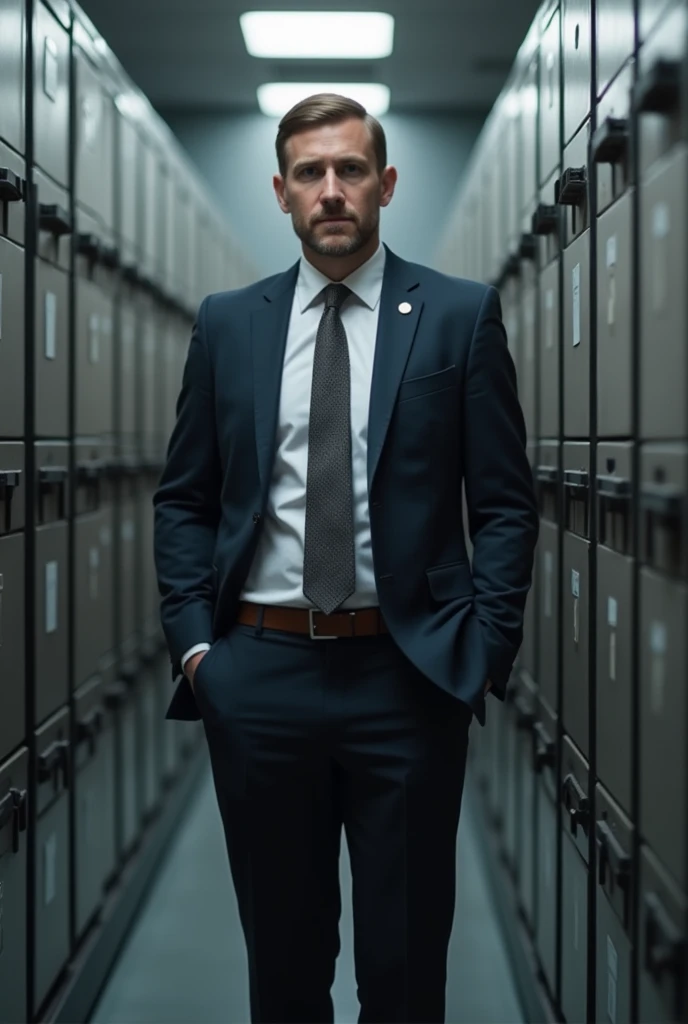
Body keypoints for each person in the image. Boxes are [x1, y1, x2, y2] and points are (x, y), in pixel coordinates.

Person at [153, 92, 539, 1024]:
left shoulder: (457, 316)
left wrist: (482, 648)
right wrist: (201, 652)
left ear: (386, 184)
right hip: (262, 672)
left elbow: (503, 504)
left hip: (407, 677)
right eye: (312, 173)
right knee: (283, 971)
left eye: (352, 170)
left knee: (406, 972)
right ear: (280, 191)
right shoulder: (228, 324)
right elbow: (185, 499)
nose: (333, 191)